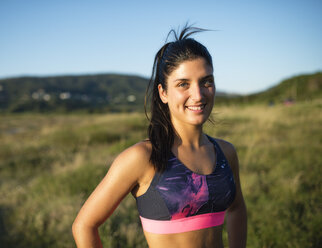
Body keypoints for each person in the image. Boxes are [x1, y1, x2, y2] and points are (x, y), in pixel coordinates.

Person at [72, 25, 247, 248]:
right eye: (183, 84)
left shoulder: (226, 153)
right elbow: (84, 225)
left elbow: (237, 208)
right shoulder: (142, 157)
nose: (198, 94)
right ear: (163, 93)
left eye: (206, 81)